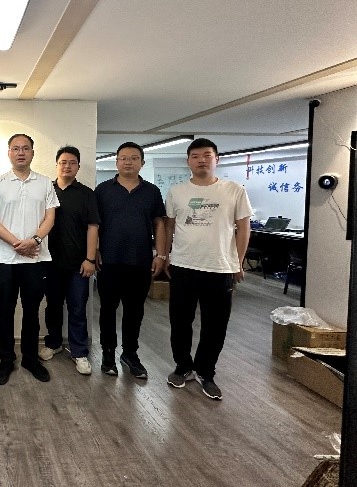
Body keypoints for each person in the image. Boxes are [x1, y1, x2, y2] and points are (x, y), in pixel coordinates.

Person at [165, 138, 252, 401]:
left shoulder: (234, 190)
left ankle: (206, 371)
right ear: (188, 161)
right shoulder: (177, 192)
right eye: (195, 156)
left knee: (215, 325)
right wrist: (166, 255)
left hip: (219, 268)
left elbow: (243, 228)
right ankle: (183, 366)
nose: (201, 160)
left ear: (217, 159)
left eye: (207, 155)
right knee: (180, 322)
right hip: (183, 265)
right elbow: (169, 226)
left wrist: (238, 262)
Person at [0, 133, 59, 385]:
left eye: (26, 148)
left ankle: (30, 358)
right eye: (16, 148)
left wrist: (33, 241)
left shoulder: (45, 183)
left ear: (33, 153)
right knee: (5, 311)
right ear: (9, 153)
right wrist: (18, 244)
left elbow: (50, 217)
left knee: (32, 311)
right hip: (6, 259)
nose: (21, 152)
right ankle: (6, 359)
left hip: (36, 259)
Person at [95, 142, 166, 379]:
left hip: (140, 262)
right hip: (109, 261)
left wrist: (161, 255)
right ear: (116, 162)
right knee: (107, 309)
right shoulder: (103, 190)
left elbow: (159, 223)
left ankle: (130, 354)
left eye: (133, 158)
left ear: (142, 163)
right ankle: (107, 354)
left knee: (134, 311)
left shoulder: (152, 192)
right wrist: (95, 250)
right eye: (123, 158)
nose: (128, 162)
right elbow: (94, 225)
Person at [39, 146, 99, 375]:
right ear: (56, 165)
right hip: (49, 262)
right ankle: (53, 343)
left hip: (78, 264)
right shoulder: (46, 190)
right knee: (53, 307)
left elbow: (93, 227)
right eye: (63, 162)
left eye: (72, 163)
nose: (67, 166)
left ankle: (79, 352)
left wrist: (90, 259)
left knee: (77, 308)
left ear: (78, 167)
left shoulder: (86, 194)